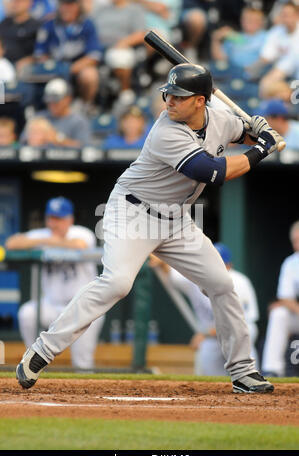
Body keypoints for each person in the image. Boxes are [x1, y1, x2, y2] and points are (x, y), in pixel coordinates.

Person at [15, 62, 283, 393]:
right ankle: (41, 350)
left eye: (178, 96)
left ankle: (243, 371)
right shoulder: (166, 131)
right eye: (167, 94)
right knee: (116, 282)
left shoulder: (222, 119)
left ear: (201, 101)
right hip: (132, 213)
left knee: (222, 284)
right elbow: (213, 172)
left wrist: (256, 129)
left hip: (176, 219)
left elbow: (239, 132)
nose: (168, 101)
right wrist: (262, 148)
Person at [6, 196, 104, 370]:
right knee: (27, 313)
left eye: (59, 219)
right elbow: (12, 243)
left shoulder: (81, 232)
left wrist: (49, 242)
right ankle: (35, 365)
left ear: (70, 219)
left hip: (83, 309)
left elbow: (80, 245)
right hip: (51, 307)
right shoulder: (42, 235)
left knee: (83, 364)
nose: (54, 223)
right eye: (51, 218)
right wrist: (45, 240)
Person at [169, 243, 259, 376]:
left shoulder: (238, 281)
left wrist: (204, 334)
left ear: (228, 265)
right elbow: (175, 275)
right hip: (212, 337)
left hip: (240, 332)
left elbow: (234, 322)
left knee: (246, 373)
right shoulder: (200, 279)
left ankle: (249, 378)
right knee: (207, 365)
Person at [34, 0, 102, 107]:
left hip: (77, 67)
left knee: (89, 75)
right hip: (54, 66)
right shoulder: (49, 25)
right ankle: (41, 108)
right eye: (64, 4)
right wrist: (52, 67)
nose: (66, 8)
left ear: (78, 6)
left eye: (70, 5)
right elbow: (40, 54)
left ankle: (86, 105)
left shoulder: (87, 24)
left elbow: (93, 56)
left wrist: (68, 69)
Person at [262, 220, 299, 377]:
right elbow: (285, 298)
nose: (297, 244)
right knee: (279, 314)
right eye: (295, 241)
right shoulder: (291, 262)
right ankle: (272, 370)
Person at [92, 0, 146, 106]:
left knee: (119, 57)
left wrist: (123, 43)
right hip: (100, 48)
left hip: (122, 47)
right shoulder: (101, 9)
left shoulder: (134, 9)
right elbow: (92, 28)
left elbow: (141, 34)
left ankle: (125, 91)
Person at [21, 77, 91, 147]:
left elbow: (84, 148)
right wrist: (34, 137)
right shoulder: (39, 117)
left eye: (56, 101)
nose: (52, 104)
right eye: (49, 101)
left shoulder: (78, 121)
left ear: (68, 99)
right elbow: (22, 142)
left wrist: (57, 139)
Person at [0, 0, 40, 75]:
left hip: (23, 68)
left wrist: (28, 60)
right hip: (4, 64)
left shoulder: (36, 26)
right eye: (13, 1)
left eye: (19, 1)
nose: (15, 4)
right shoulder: (4, 23)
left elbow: (41, 53)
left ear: (29, 3)